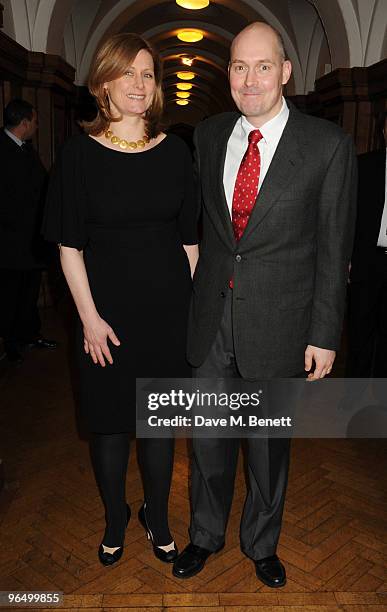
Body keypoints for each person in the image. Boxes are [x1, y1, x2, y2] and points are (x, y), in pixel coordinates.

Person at [173, 22, 357, 586]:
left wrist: (324, 333)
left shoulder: (327, 145)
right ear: (228, 72)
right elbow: (201, 229)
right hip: (211, 321)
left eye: (261, 66)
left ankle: (262, 543)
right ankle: (205, 535)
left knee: (268, 445)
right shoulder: (207, 135)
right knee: (207, 439)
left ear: (285, 71)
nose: (249, 79)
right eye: (237, 66)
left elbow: (334, 248)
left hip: (281, 324)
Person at [43, 33, 198, 566]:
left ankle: (156, 515)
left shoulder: (177, 151)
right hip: (104, 316)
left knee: (158, 426)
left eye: (148, 73)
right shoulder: (79, 155)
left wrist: (195, 314)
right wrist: (88, 319)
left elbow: (191, 242)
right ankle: (116, 518)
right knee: (109, 426)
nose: (139, 83)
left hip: (167, 313)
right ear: (104, 82)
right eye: (128, 73)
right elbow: (68, 247)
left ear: (156, 87)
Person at [0, 99, 57, 364]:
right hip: (10, 241)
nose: (36, 125)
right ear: (24, 123)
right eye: (35, 121)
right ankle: (10, 341)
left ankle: (29, 335)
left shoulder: (27, 150)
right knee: (11, 294)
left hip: (31, 239)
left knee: (30, 291)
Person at [347, 109, 387, 377]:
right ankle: (353, 391)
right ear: (384, 131)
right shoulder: (364, 165)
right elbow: (347, 215)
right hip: (366, 261)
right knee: (359, 331)